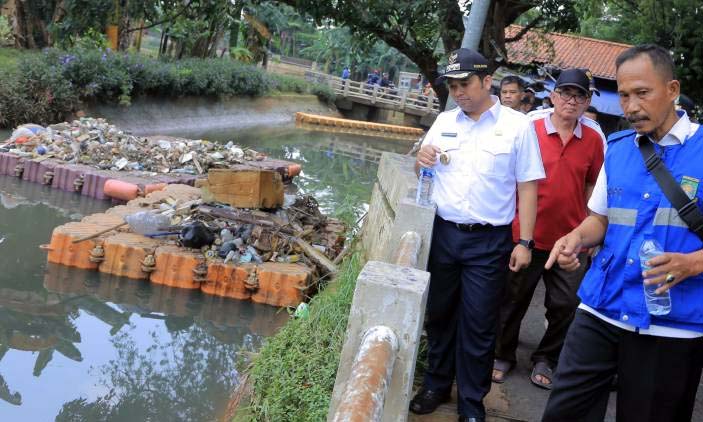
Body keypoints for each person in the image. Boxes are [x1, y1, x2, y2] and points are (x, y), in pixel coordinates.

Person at [542, 44, 703, 421]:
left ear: (673, 90)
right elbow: (599, 219)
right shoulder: (617, 149)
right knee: (563, 413)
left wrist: (692, 264)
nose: (630, 106)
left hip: (672, 324)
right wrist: (576, 238)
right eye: (625, 95)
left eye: (642, 93)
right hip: (602, 306)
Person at [410, 48, 545, 422]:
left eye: (465, 83)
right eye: (452, 85)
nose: (458, 92)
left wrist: (525, 241)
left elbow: (529, 187)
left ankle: (471, 403)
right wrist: (419, 161)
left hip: (489, 242)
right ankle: (436, 385)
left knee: (479, 323)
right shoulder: (444, 122)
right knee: (439, 315)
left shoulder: (517, 127)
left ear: (487, 81)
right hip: (444, 235)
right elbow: (422, 173)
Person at [493, 69, 605, 390]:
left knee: (566, 303)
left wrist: (588, 230)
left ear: (586, 102)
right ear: (553, 96)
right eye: (565, 93)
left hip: (570, 238)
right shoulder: (529, 128)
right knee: (512, 297)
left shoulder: (594, 139)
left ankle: (547, 357)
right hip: (526, 234)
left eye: (578, 95)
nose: (571, 100)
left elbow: (593, 185)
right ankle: (503, 353)